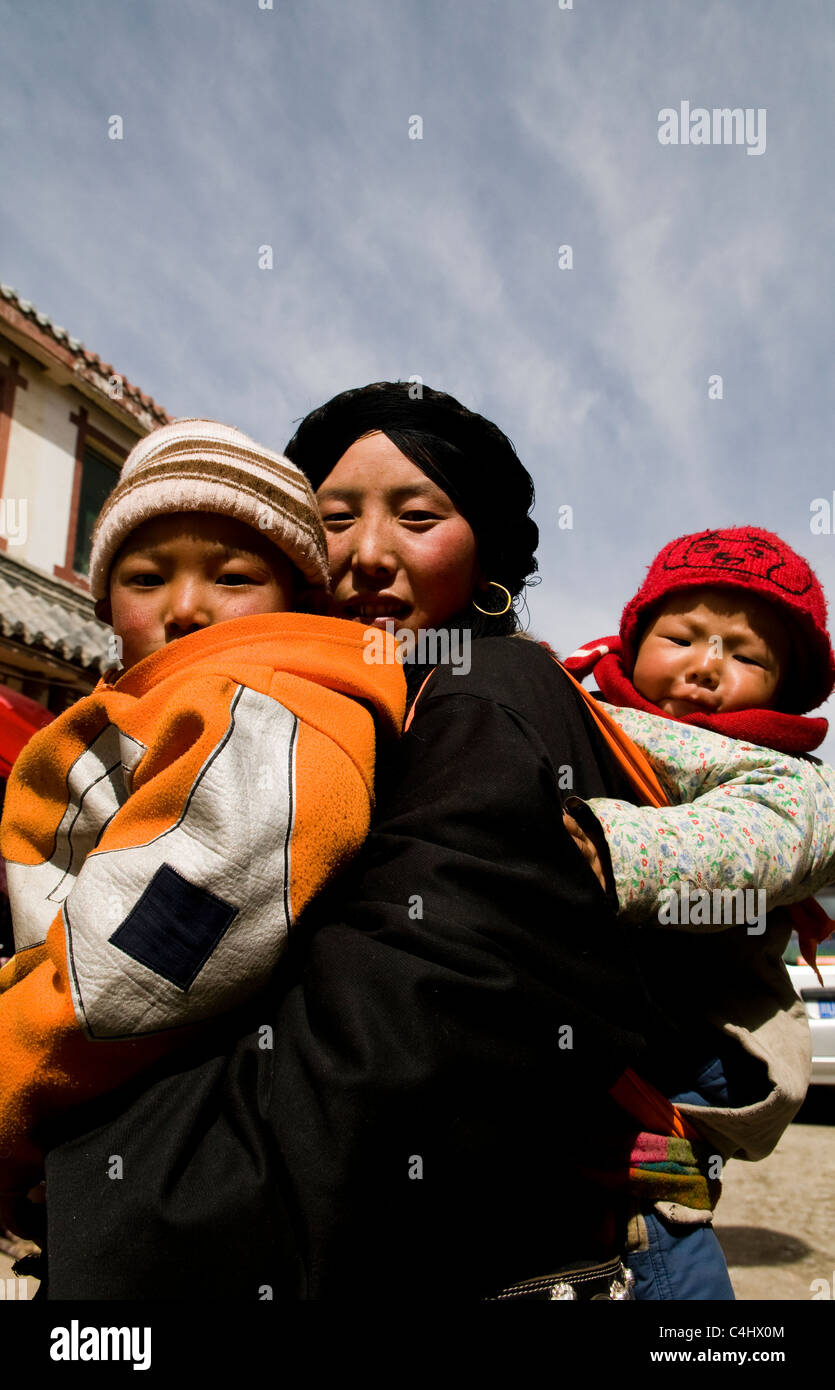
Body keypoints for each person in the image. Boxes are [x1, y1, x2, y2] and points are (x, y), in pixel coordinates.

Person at [38, 381, 687, 1301]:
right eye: (334, 519)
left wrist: (112, 1192)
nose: (370, 555)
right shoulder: (318, 716)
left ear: (488, 550)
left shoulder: (482, 695)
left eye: (418, 517)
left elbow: (409, 1019)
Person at [0, 416, 405, 1241]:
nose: (185, 609)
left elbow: (157, 947)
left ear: (301, 596)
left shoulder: (271, 710)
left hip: (151, 1125)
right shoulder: (157, 704)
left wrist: (11, 1084)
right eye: (146, 577)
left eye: (232, 577)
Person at [561, 526, 835, 1299]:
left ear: (785, 690)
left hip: (672, 1071)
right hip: (556, 1033)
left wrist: (605, 847)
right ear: (635, 636)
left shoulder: (787, 777)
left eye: (745, 655)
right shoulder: (570, 705)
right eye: (680, 636)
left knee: (665, 1244)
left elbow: (746, 843)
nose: (706, 667)